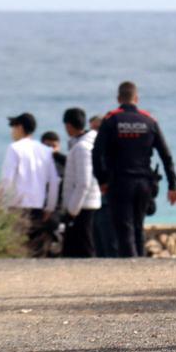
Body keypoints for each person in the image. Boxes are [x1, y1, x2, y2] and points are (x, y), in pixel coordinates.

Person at [92, 82, 176, 257]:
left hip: (119, 182)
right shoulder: (149, 120)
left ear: (119, 99)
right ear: (136, 98)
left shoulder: (111, 120)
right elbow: (166, 155)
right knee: (138, 227)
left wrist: (101, 180)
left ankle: (131, 269)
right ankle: (140, 266)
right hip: (144, 183)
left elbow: (96, 154)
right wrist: (173, 185)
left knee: (124, 229)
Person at [0, 112, 61, 257]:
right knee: (36, 252)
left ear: (20, 128)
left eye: (13, 128)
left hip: (17, 207)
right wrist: (50, 207)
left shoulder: (14, 148)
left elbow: (7, 180)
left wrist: (0, 205)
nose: (12, 132)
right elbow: (53, 181)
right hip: (39, 208)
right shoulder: (45, 151)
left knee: (17, 249)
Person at [59, 107, 101, 258]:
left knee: (84, 248)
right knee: (77, 248)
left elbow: (84, 182)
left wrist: (71, 210)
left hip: (83, 206)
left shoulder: (82, 148)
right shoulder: (85, 144)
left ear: (68, 125)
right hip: (85, 203)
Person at [87, 114, 117, 257]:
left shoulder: (111, 148)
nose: (94, 133)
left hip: (108, 202)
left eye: (97, 129)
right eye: (91, 129)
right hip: (95, 202)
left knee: (109, 242)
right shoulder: (91, 148)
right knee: (98, 244)